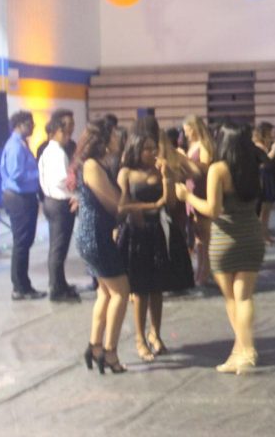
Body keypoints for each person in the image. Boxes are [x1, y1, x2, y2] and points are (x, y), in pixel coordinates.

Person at [176, 122, 265, 374]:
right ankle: (242, 351)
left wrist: (187, 197)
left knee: (231, 299)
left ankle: (245, 351)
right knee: (245, 296)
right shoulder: (251, 169)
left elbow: (213, 210)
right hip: (251, 236)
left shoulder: (218, 170)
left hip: (225, 239)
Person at [117, 130, 194, 362]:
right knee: (139, 290)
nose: (152, 153)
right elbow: (122, 205)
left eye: (154, 148)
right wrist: (152, 204)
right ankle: (140, 338)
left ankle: (155, 334)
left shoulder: (161, 170)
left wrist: (166, 177)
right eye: (147, 148)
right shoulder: (126, 173)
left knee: (157, 288)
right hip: (136, 231)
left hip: (158, 229)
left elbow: (170, 203)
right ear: (136, 150)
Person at [73, 119, 129, 374]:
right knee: (121, 292)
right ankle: (110, 353)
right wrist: (127, 196)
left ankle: (95, 348)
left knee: (105, 293)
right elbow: (113, 204)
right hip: (95, 236)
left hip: (94, 234)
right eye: (115, 135)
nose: (118, 138)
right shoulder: (93, 166)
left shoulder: (98, 164)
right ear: (104, 140)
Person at [1, 111, 44, 300]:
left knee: (24, 242)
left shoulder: (20, 144)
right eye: (30, 123)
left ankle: (23, 284)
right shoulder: (15, 147)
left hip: (23, 197)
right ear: (19, 124)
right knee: (21, 243)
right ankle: (19, 287)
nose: (33, 127)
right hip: (19, 197)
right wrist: (39, 174)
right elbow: (16, 174)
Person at [39, 114, 80, 302]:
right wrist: (76, 191)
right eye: (66, 129)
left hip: (52, 201)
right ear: (56, 130)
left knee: (59, 248)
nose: (69, 133)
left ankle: (60, 283)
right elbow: (62, 180)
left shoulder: (52, 151)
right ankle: (56, 288)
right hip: (59, 202)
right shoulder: (55, 153)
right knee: (58, 248)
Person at [183, 115, 215, 286]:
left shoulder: (203, 145)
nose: (186, 134)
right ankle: (200, 269)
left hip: (201, 189)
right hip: (191, 188)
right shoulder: (192, 145)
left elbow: (206, 167)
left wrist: (186, 162)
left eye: (187, 130)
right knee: (197, 236)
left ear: (194, 128)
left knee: (204, 234)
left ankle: (205, 271)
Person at [253, 122, 275, 245]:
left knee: (268, 210)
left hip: (270, 176)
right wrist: (274, 149)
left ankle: (266, 235)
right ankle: (261, 237)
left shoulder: (264, 145)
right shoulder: (257, 146)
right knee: (263, 210)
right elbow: (266, 161)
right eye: (270, 132)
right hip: (263, 178)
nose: (272, 135)